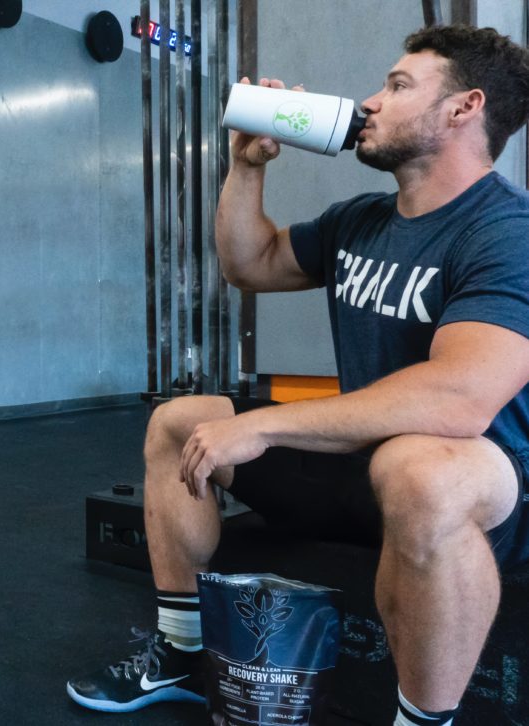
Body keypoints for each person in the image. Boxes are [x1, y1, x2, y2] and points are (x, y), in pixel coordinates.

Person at [67, 23, 529, 726]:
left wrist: (263, 422)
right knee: (180, 421)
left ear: (464, 109)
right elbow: (247, 264)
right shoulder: (363, 220)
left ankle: (424, 722)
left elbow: (460, 396)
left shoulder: (505, 232)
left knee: (420, 468)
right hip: (365, 467)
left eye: (398, 85)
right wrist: (247, 166)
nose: (370, 102)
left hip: (477, 483)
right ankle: (182, 650)